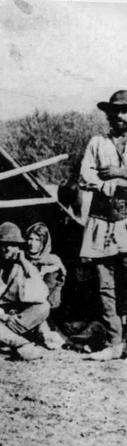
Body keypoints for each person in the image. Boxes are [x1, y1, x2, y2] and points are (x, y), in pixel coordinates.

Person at [77, 90, 127, 360]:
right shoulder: (97, 142)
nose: (120, 115)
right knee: (105, 284)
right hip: (101, 220)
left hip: (126, 218)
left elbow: (113, 175)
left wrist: (119, 173)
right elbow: (86, 175)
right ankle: (113, 342)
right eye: (115, 110)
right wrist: (109, 185)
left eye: (125, 110)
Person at [0, 222, 50, 360]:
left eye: (14, 245)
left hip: (16, 317)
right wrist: (4, 316)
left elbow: (42, 295)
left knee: (43, 307)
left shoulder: (22, 268)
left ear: (19, 248)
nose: (8, 249)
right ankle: (21, 344)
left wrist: (25, 263)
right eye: (4, 244)